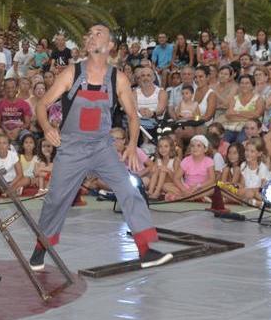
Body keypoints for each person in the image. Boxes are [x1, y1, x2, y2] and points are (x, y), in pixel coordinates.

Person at [30, 24, 171, 271]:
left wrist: (130, 144)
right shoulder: (71, 73)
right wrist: (47, 128)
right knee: (55, 200)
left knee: (129, 190)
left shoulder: (119, 78)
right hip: (71, 148)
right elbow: (42, 105)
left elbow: (133, 116)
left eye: (99, 33)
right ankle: (42, 246)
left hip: (102, 147)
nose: (92, 36)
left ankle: (146, 249)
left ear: (110, 46)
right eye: (89, 34)